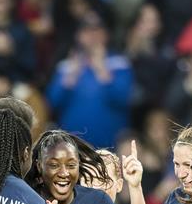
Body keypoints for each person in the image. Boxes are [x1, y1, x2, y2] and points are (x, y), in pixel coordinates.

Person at [46, 11, 133, 149]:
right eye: (87, 31)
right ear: (78, 36)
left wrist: (102, 70)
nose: (92, 36)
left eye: (97, 30)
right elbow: (52, 103)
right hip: (72, 150)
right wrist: (71, 76)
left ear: (106, 34)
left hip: (110, 149)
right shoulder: (66, 66)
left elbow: (123, 99)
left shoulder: (119, 63)